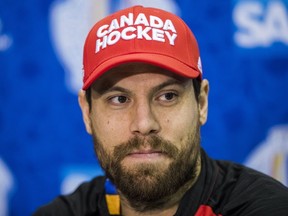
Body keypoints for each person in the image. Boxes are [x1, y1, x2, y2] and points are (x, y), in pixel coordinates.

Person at [34, 5, 288, 216]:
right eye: (119, 99)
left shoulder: (264, 209)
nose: (144, 123)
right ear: (87, 113)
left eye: (167, 96)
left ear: (201, 103)